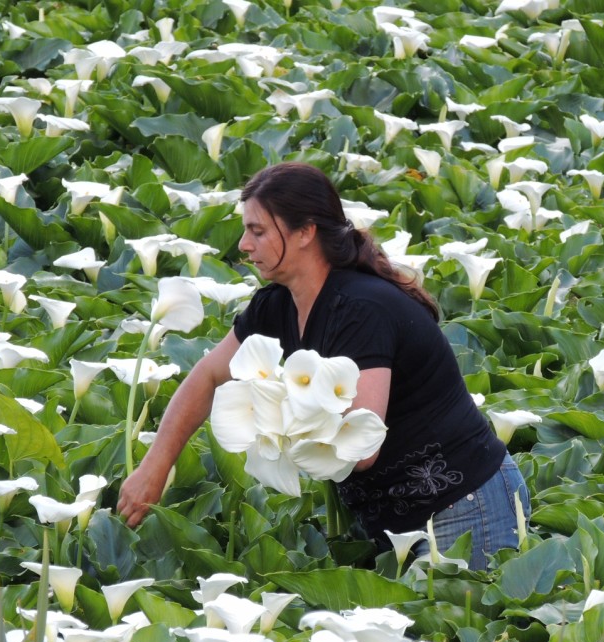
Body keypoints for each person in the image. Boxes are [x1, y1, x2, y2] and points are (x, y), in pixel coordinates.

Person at [116, 162, 530, 570]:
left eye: (257, 231)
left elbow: (361, 448)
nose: (243, 244)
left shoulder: (361, 309)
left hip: (466, 508)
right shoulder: (275, 307)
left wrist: (276, 423)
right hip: (393, 522)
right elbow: (207, 377)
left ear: (305, 232)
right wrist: (154, 469)